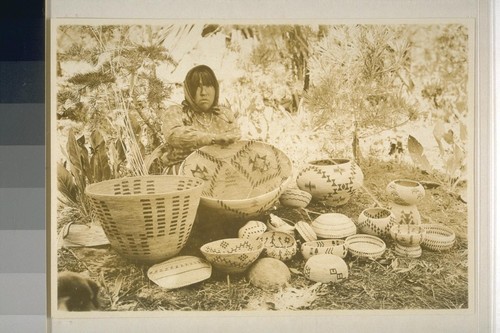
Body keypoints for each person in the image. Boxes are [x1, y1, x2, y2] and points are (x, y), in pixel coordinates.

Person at [161, 64, 241, 174]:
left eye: (208, 86)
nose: (203, 92)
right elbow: (174, 135)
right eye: (197, 87)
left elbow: (235, 140)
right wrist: (213, 138)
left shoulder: (224, 115)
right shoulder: (176, 112)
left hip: (219, 172)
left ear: (215, 88)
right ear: (188, 91)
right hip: (182, 172)